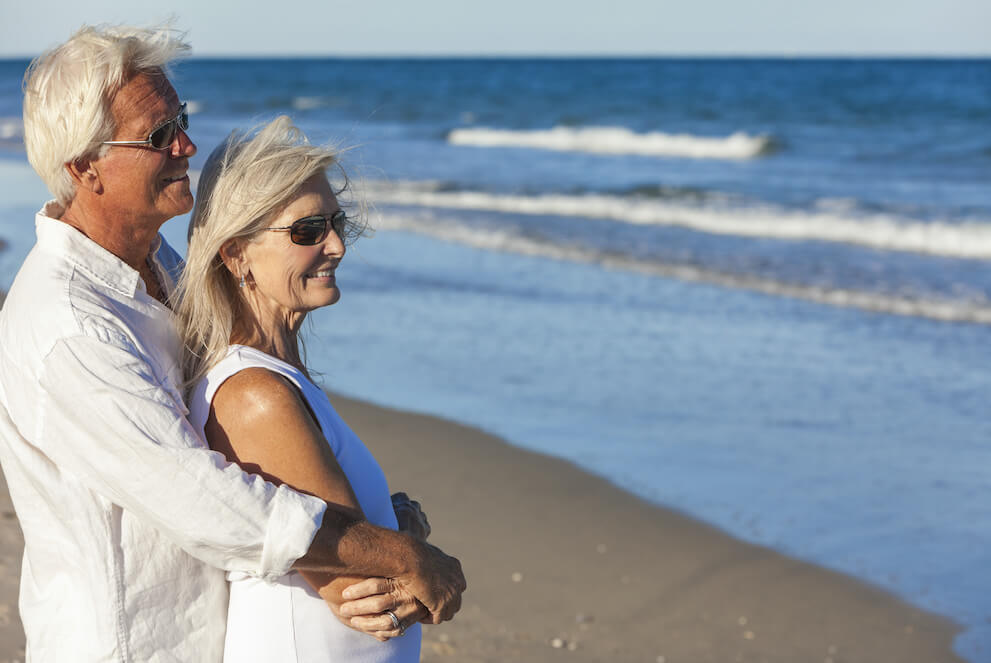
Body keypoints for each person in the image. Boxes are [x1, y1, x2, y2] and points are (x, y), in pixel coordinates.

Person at [0, 23, 464, 662]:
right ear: (85, 167)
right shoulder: (68, 325)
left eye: (181, 120)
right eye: (160, 136)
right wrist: (386, 550)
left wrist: (384, 523)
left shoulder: (156, 267)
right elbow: (198, 495)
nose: (187, 145)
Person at [174, 115, 426, 661]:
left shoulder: (277, 374)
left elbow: (354, 540)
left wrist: (399, 528)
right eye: (307, 231)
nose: (335, 245)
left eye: (337, 224)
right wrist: (417, 553)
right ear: (236, 253)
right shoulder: (254, 395)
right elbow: (363, 587)